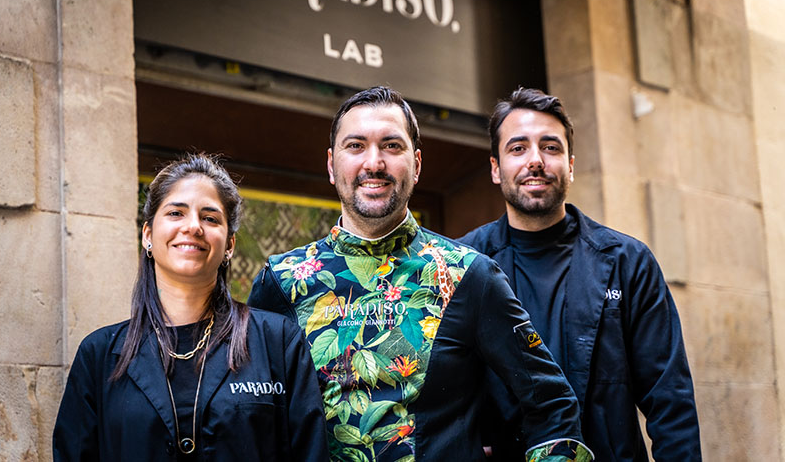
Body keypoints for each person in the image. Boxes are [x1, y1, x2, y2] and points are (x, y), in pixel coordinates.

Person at [248, 86, 592, 462]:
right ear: (332, 165)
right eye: (356, 146)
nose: (374, 163)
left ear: (417, 164)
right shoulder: (281, 282)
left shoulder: (468, 275)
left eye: (392, 146)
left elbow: (552, 403)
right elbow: (251, 420)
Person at [459, 87, 702, 461]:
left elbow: (671, 402)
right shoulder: (459, 264)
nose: (535, 160)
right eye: (518, 148)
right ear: (496, 168)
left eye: (550, 147)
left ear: (570, 164)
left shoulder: (628, 262)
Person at [53, 154, 328, 461]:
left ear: (229, 245)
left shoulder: (278, 341)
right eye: (176, 213)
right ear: (147, 235)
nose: (193, 226)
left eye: (210, 218)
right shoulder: (98, 355)